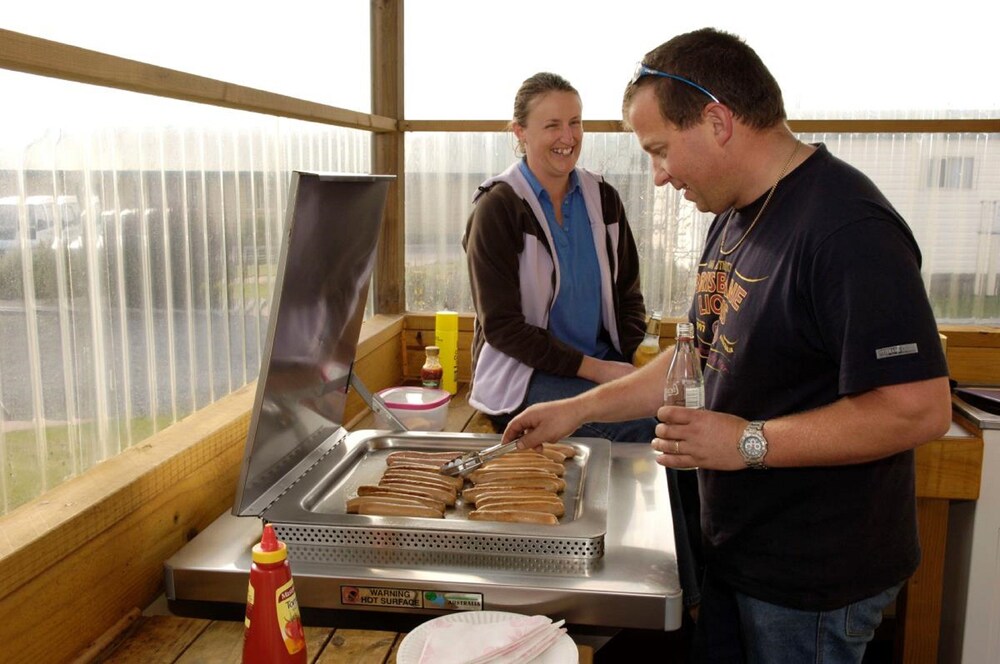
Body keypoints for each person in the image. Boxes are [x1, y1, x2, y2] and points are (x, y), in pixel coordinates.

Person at [501, 29, 952, 663]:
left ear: (716, 121)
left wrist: (745, 443)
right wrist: (580, 409)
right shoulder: (737, 215)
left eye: (660, 151)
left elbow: (918, 409)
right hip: (740, 553)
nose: (658, 177)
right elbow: (694, 355)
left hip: (812, 581)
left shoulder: (848, 229)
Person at [462, 71, 652, 443]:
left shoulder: (604, 199)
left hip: (601, 363)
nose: (568, 137)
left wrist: (634, 363)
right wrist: (599, 371)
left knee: (675, 412)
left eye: (575, 123)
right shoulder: (498, 208)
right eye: (552, 125)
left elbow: (628, 295)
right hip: (524, 376)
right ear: (520, 132)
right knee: (641, 427)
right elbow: (502, 327)